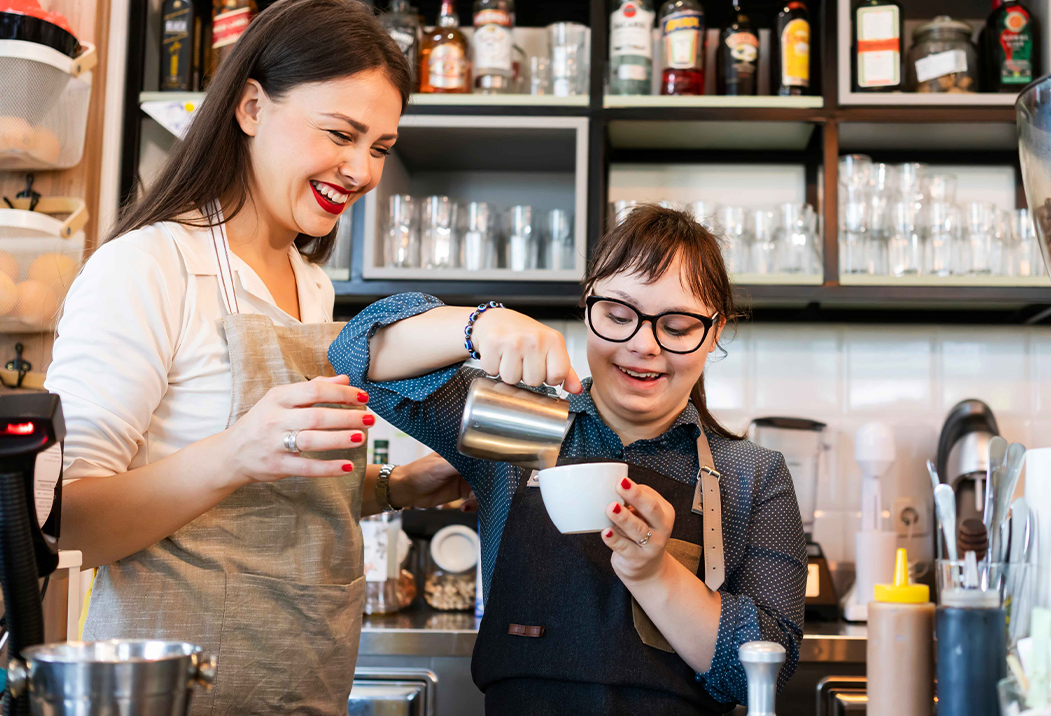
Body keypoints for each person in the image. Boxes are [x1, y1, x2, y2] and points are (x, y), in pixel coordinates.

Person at [43, 0, 471, 713]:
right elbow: (64, 522)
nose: (362, 170)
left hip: (299, 681)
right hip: (168, 689)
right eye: (341, 132)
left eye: (380, 148)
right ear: (249, 107)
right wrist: (239, 449)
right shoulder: (149, 266)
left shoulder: (311, 284)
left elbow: (264, 501)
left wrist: (393, 488)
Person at [329, 204, 807, 714]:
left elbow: (765, 668)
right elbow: (354, 355)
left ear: (714, 332)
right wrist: (479, 325)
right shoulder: (515, 426)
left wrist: (654, 573)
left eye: (678, 325)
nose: (643, 345)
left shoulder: (750, 474)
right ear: (587, 308)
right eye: (619, 316)